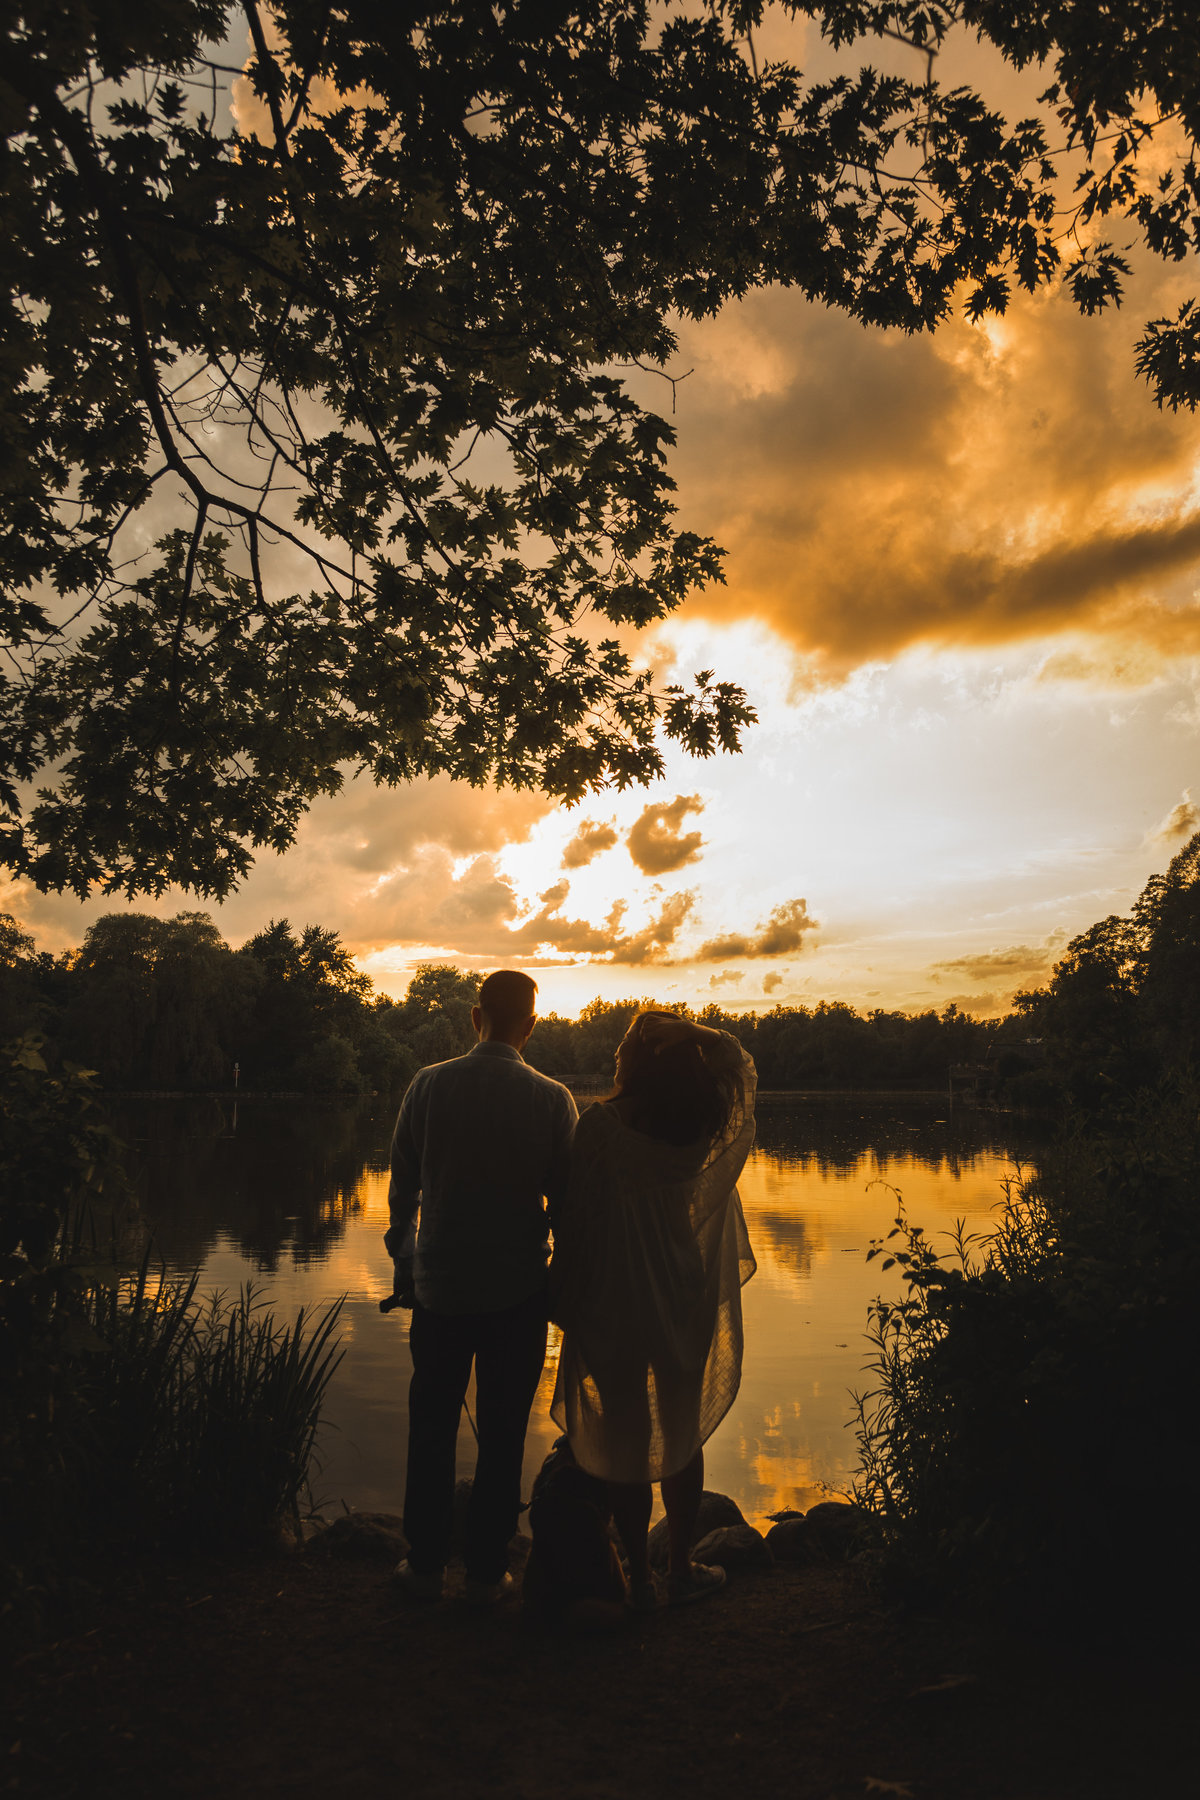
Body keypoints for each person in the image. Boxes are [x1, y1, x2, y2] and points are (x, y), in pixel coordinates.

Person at [550, 1010, 756, 1608]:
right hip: (681, 1294)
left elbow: (574, 1223)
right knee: (681, 1432)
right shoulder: (703, 1131)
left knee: (626, 1435)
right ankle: (682, 1569)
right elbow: (742, 1068)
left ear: (631, 1063)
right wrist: (700, 1035)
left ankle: (639, 1577)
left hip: (615, 1299)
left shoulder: (599, 1129)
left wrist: (563, 1296)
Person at [385, 969, 577, 1604]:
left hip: (438, 1288)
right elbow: (570, 1202)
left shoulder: (428, 1084)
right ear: (529, 1025)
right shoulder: (552, 1098)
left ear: (475, 1017)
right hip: (518, 1293)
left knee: (430, 1425)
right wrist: (557, 1274)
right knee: (503, 1432)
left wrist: (405, 1261)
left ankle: (424, 1565)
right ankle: (488, 1572)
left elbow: (403, 1189)